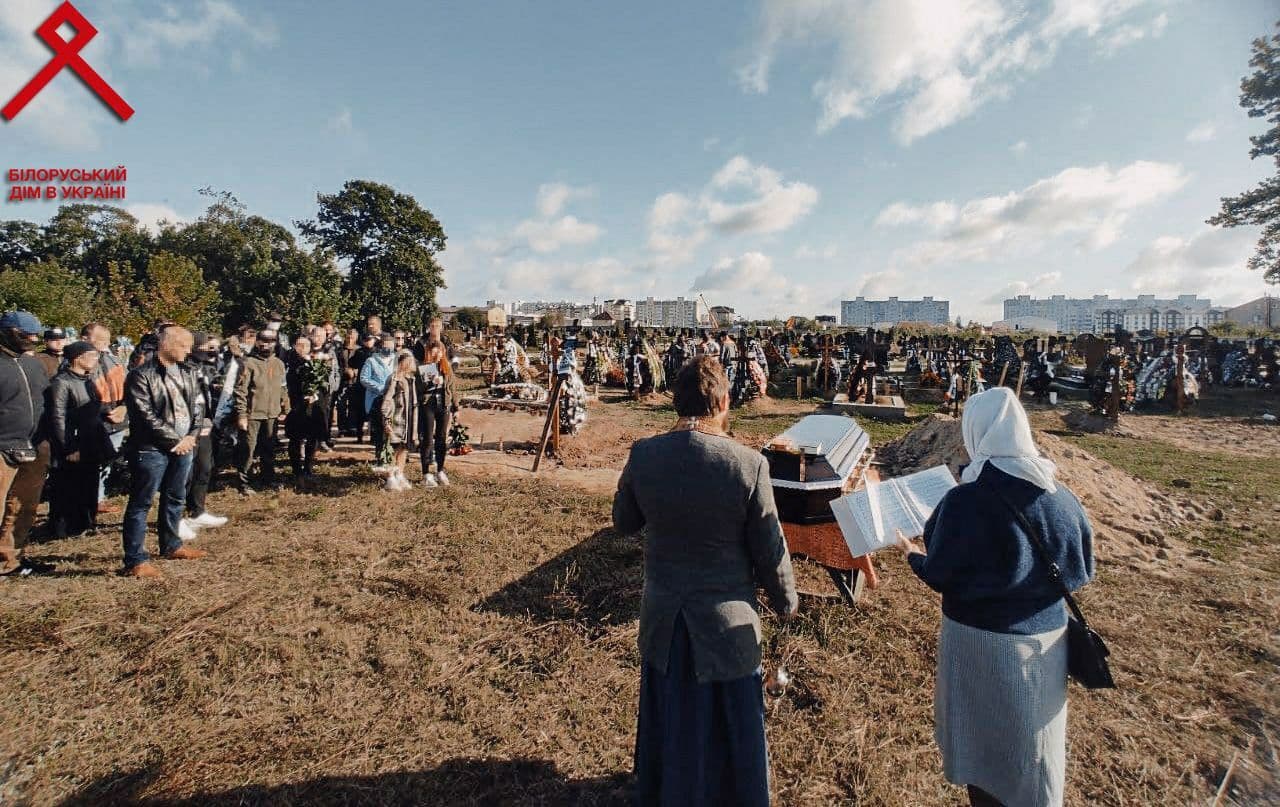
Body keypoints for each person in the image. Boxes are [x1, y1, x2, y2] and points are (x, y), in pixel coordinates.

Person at [612, 355, 798, 806]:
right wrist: (786, 601)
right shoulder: (748, 464)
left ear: (675, 402)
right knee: (729, 734)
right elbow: (771, 549)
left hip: (664, 623)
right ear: (723, 401)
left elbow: (623, 522)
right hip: (727, 630)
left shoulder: (645, 454)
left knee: (674, 723)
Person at [899, 386, 1095, 807]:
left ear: (977, 432)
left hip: (979, 646)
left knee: (984, 753)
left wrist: (913, 556)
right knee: (1033, 754)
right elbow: (1081, 568)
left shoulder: (966, 500)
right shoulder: (1060, 496)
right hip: (1047, 645)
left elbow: (940, 571)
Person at [121, 326, 207, 578]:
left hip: (184, 446)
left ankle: (171, 545)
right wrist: (174, 440)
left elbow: (198, 407)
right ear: (167, 344)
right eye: (184, 346)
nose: (188, 351)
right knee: (141, 503)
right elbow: (144, 415)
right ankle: (135, 559)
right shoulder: (141, 376)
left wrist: (191, 435)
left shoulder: (188, 372)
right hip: (151, 449)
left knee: (176, 496)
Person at [0, 311, 55, 576]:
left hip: (34, 444)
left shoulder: (34, 365)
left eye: (35, 335)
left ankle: (11, 559)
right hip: (3, 446)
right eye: (25, 335)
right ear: (7, 332)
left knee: (24, 506)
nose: (32, 339)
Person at [46, 340, 108, 538]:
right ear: (77, 358)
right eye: (92, 356)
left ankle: (86, 522)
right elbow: (57, 417)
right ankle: (64, 528)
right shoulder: (61, 382)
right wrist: (68, 447)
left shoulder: (88, 380)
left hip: (90, 440)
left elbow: (93, 409)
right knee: (68, 487)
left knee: (89, 484)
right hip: (72, 442)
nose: (96, 360)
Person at [180, 332, 229, 536]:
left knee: (204, 467)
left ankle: (197, 511)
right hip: (186, 426)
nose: (209, 351)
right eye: (205, 348)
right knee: (185, 472)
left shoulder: (206, 367)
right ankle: (177, 517)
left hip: (205, 422)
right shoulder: (182, 368)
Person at [233, 330, 289, 495]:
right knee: (248, 450)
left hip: (272, 414)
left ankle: (268, 479)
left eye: (271, 341)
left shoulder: (279, 364)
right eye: (263, 340)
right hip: (252, 415)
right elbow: (240, 391)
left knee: (269, 449)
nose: (266, 344)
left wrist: (285, 408)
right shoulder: (248, 363)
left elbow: (283, 387)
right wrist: (241, 415)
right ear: (257, 342)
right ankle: (244, 482)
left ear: (275, 343)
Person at [284, 335, 331, 486]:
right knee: (295, 438)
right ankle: (296, 471)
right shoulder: (289, 361)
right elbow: (288, 384)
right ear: (294, 346)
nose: (303, 348)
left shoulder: (315, 362)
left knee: (313, 437)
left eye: (306, 345)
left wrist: (315, 394)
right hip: (297, 405)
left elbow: (323, 383)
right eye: (299, 345)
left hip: (314, 406)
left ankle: (308, 469)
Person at [416, 338, 459, 487]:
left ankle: (440, 470)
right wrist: (430, 382)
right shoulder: (423, 367)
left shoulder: (446, 367)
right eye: (434, 351)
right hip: (428, 405)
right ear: (429, 352)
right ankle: (426, 473)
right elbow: (418, 388)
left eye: (440, 351)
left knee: (441, 438)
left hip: (443, 405)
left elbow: (453, 388)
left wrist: (456, 407)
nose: (437, 354)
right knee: (427, 439)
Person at [379, 352, 418, 491]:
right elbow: (387, 399)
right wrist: (386, 420)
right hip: (396, 419)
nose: (409, 364)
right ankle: (390, 477)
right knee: (393, 449)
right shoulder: (394, 378)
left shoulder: (411, 379)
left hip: (409, 419)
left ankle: (400, 474)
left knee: (404, 448)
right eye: (406, 362)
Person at [359, 333, 396, 469]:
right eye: (386, 346)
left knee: (392, 428)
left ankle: (391, 456)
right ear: (380, 347)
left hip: (393, 399)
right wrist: (381, 388)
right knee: (380, 430)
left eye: (391, 346)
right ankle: (380, 457)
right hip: (377, 398)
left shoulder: (396, 360)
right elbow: (364, 378)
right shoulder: (371, 361)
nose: (388, 349)